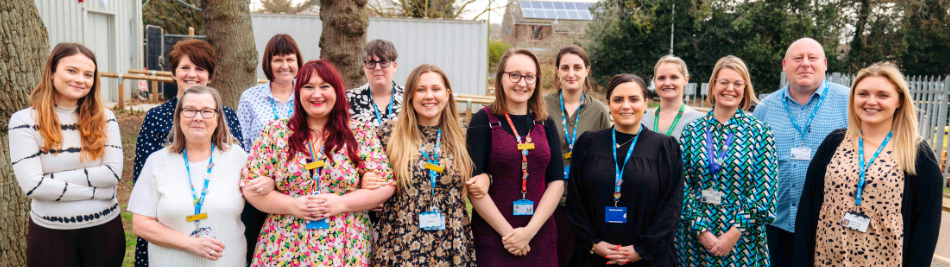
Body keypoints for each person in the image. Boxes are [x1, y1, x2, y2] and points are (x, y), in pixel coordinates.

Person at [240, 60, 394, 266]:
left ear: (337, 91)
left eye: (324, 86)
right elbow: (250, 187)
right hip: (284, 245)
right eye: (308, 87)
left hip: (345, 245)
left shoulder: (359, 133)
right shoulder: (276, 132)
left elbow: (386, 185)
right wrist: (291, 205)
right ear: (298, 92)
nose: (316, 94)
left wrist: (343, 203)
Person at [792, 62, 942, 267]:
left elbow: (926, 229)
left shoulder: (917, 153)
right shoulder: (833, 143)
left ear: (899, 100)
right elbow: (808, 208)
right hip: (827, 259)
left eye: (883, 95)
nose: (871, 101)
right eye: (863, 94)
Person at [131, 38, 256, 267]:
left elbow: (252, 189)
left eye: (207, 112)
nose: (198, 118)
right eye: (189, 111)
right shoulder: (157, 156)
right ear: (178, 118)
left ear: (218, 119)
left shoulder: (236, 155)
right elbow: (142, 213)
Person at [9, 42, 125, 267]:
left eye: (88, 74)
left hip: (105, 231)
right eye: (71, 70)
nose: (80, 79)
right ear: (52, 72)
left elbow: (112, 174)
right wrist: (98, 191)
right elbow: (33, 186)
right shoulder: (23, 121)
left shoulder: (105, 118)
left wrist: (50, 179)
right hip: (50, 236)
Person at [566, 74, 684, 266]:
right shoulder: (588, 143)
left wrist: (642, 249)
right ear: (609, 104)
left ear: (646, 103)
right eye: (618, 99)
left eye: (634, 99)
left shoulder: (664, 147)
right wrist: (594, 243)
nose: (626, 106)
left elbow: (672, 206)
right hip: (594, 257)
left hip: (648, 259)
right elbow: (575, 200)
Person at [751, 38, 850, 266]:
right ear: (785, 65)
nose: (805, 63)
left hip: (829, 225)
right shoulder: (765, 109)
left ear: (824, 64)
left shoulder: (848, 103)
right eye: (798, 58)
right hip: (775, 224)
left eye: (812, 58)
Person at [674, 55, 777, 266]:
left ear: (745, 89)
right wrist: (702, 231)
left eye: (738, 83)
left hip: (743, 242)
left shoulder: (760, 131)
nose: (730, 88)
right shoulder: (693, 131)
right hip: (696, 241)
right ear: (713, 86)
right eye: (724, 82)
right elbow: (680, 186)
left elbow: (765, 193)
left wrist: (732, 234)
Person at [466, 49, 565, 266]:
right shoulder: (482, 121)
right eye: (515, 75)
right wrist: (509, 234)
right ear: (501, 78)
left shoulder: (545, 122)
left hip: (539, 237)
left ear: (536, 81)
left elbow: (556, 181)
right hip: (494, 239)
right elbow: (473, 186)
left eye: (529, 76)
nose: (522, 83)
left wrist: (528, 232)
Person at [370, 64, 476, 266]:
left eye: (435, 89)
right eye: (421, 89)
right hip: (401, 240)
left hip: (451, 240)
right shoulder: (388, 134)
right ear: (410, 95)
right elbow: (367, 175)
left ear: (447, 94)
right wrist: (367, 180)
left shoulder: (464, 134)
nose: (429, 96)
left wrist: (486, 179)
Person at [541, 45, 611, 266]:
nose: (571, 73)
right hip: (546, 200)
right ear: (557, 71)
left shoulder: (599, 110)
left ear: (587, 70)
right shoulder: (541, 105)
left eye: (577, 67)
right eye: (565, 68)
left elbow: (606, 156)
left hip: (583, 202)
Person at [235, 33, 302, 264]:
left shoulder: (307, 96)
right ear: (268, 64)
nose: (284, 65)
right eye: (277, 60)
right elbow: (241, 144)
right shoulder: (250, 97)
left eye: (290, 59)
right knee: (254, 246)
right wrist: (255, 178)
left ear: (298, 62)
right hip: (259, 188)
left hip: (299, 187)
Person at [642, 55, 704, 139]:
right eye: (661, 78)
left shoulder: (699, 121)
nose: (667, 83)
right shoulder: (642, 119)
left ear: (686, 80)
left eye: (674, 77)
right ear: (655, 81)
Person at [347, 39, 404, 127]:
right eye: (371, 62)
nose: (377, 68)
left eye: (383, 62)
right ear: (364, 68)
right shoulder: (348, 100)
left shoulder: (409, 97)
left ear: (394, 66)